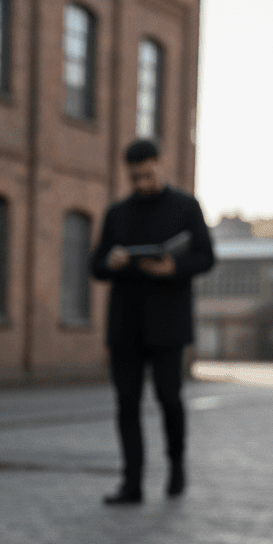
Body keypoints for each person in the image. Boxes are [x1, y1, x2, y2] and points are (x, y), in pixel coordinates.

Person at [90, 139, 215, 505]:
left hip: (168, 326)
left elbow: (207, 257)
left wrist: (174, 267)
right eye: (134, 177)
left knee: (169, 399)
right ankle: (132, 484)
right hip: (125, 326)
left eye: (146, 174)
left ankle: (176, 467)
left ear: (160, 164)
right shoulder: (117, 213)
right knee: (126, 405)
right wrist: (109, 263)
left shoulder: (186, 207)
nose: (141, 182)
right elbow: (95, 265)